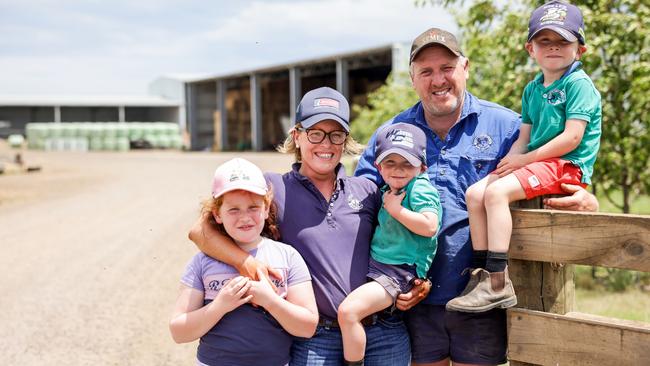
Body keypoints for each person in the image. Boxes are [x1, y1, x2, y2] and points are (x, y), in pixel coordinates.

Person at [354, 27, 600, 366]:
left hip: (480, 297)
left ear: (465, 68)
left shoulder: (506, 126)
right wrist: (387, 283)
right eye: (426, 71)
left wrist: (587, 199)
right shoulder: (391, 135)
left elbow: (551, 167)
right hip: (414, 297)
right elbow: (360, 208)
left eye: (447, 68)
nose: (438, 79)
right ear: (412, 79)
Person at [189, 87, 420, 366]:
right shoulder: (273, 188)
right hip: (317, 339)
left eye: (336, 135)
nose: (326, 144)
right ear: (296, 136)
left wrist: (418, 283)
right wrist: (244, 262)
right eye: (315, 133)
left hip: (384, 332)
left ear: (345, 141)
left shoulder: (368, 190)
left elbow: (404, 239)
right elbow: (200, 231)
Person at [446, 0, 601, 313]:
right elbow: (523, 138)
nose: (553, 48)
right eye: (545, 41)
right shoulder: (532, 89)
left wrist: (523, 161)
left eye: (563, 41)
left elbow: (572, 137)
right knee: (476, 193)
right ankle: (480, 275)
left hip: (566, 165)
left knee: (497, 194)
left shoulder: (578, 84)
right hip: (539, 162)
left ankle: (499, 281)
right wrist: (508, 162)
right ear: (531, 49)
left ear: (580, 50)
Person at [170, 158, 318, 366]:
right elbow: (178, 331)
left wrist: (270, 300)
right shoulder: (202, 263)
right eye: (233, 209)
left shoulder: (287, 257)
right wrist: (220, 305)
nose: (245, 217)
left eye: (253, 207)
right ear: (217, 214)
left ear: (266, 209)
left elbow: (308, 327)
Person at [338, 123, 442, 365]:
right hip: (383, 266)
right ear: (378, 166)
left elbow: (429, 226)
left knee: (348, 312)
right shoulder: (390, 188)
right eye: (390, 163)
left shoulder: (419, 188)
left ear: (422, 166)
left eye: (407, 163)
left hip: (398, 271)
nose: (398, 170)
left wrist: (396, 210)